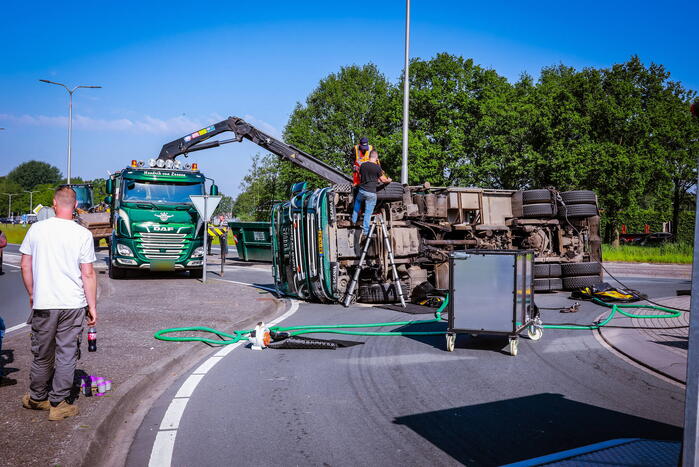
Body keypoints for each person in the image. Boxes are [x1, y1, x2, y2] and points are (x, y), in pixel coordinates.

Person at [19, 186, 97, 421]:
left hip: (44, 303)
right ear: (74, 206)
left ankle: (37, 397)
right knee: (66, 353)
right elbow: (88, 274)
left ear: (54, 203)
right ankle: (59, 403)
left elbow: (25, 266)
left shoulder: (36, 229)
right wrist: (92, 307)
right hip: (72, 304)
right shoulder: (82, 234)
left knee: (42, 353)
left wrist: (33, 294)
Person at [352, 150, 392, 236]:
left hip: (362, 191)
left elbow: (362, 176)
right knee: (368, 212)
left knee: (357, 203)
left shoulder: (362, 165)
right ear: (376, 158)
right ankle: (366, 231)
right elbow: (383, 180)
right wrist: (389, 180)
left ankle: (354, 220)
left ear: (369, 156)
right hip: (371, 193)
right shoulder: (377, 168)